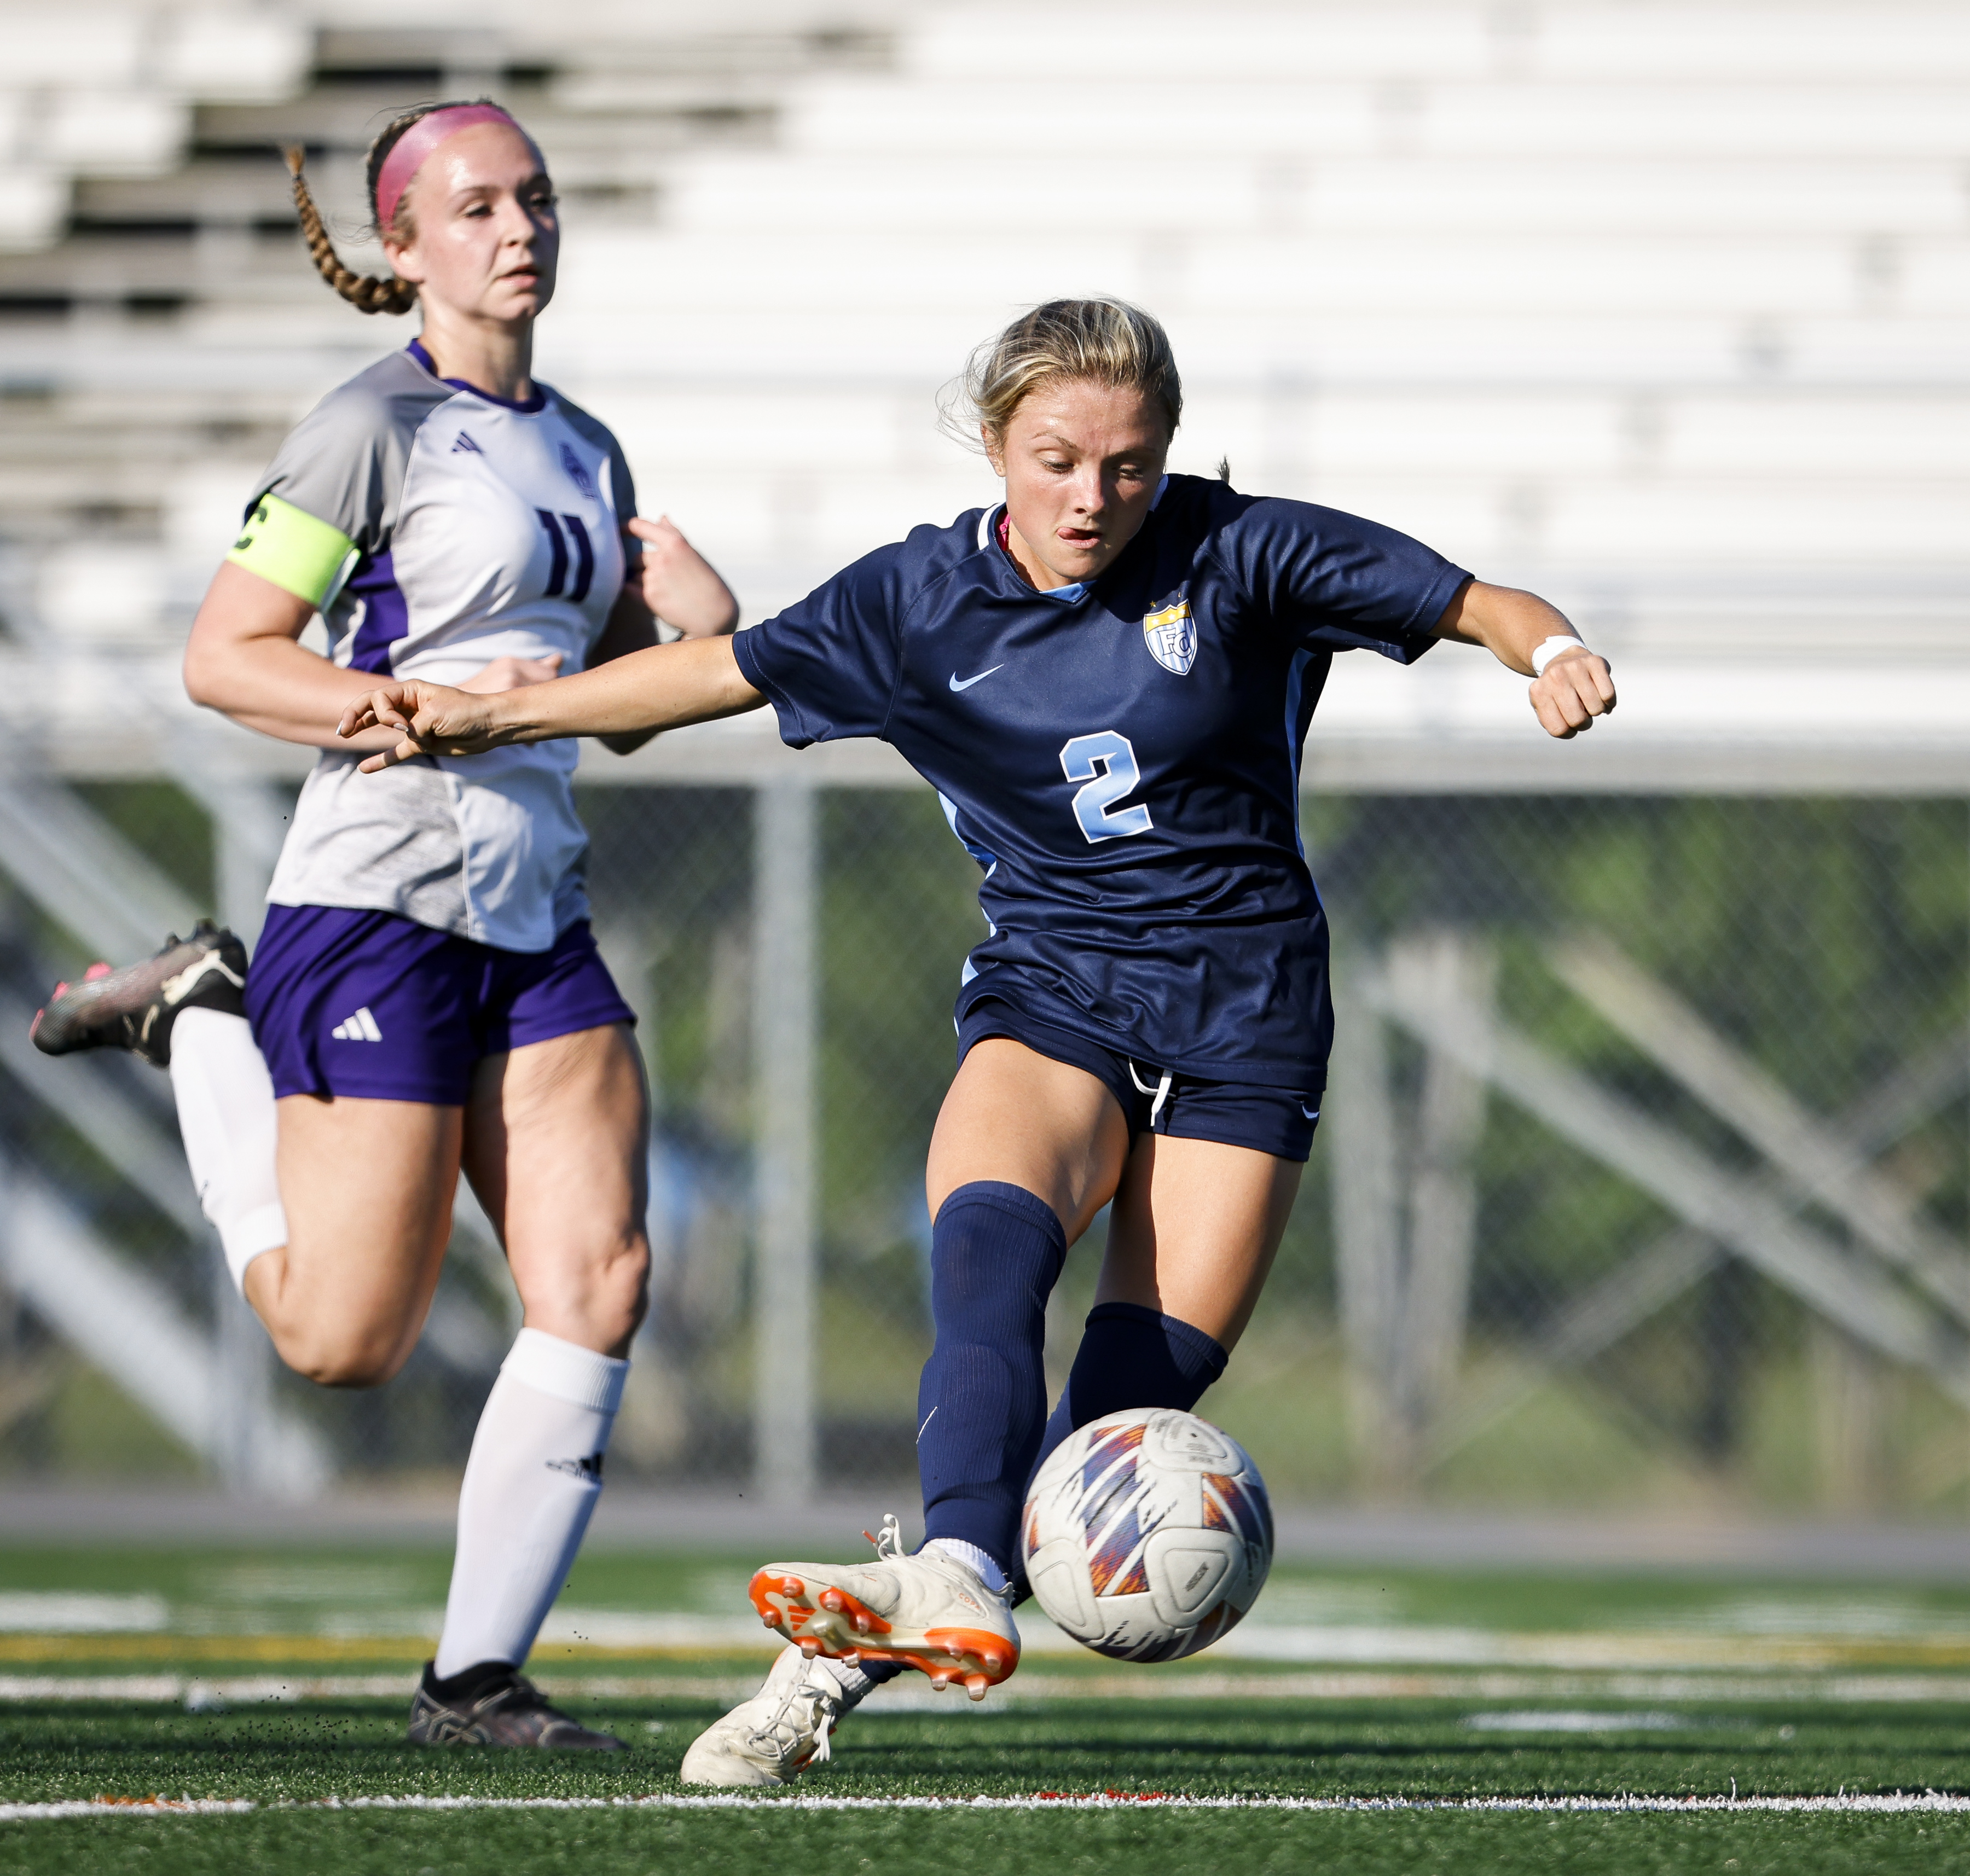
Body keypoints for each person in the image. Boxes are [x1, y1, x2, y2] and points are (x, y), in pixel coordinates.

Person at [335, 297, 1616, 1781]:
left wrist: (1556, 654)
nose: (1094, 497)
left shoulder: (1243, 550)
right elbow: (721, 671)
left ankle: (862, 1640)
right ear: (996, 440)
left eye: (1130, 466)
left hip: (1250, 1017)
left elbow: (1480, 602)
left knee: (1128, 1415)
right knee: (990, 1250)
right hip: (1056, 989)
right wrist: (498, 718)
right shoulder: (918, 603)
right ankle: (944, 1569)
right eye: (1060, 458)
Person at [31, 100, 739, 1750]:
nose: (519, 226)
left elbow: (611, 710)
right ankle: (203, 1015)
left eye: (537, 198)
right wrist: (405, 703)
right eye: (478, 205)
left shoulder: (586, 444)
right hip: (379, 906)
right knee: (343, 1342)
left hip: (534, 909)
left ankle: (471, 1681)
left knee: (602, 1280)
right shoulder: (371, 424)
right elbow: (229, 656)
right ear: (404, 247)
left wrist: (707, 631)